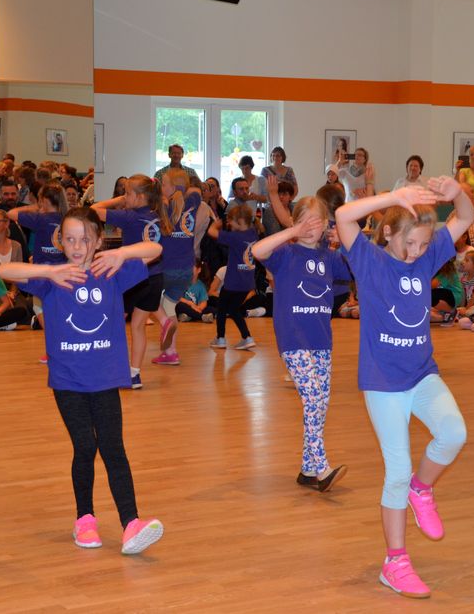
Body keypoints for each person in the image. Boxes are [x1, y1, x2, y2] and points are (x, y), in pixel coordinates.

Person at [335, 177, 473, 599]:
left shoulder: (425, 258)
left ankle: (422, 487)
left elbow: (466, 216)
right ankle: (394, 562)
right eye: (409, 243)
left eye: (423, 244)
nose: (416, 252)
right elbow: (343, 215)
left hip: (422, 373)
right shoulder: (369, 260)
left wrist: (457, 192)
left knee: (454, 433)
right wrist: (394, 197)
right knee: (396, 470)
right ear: (389, 232)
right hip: (383, 382)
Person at [0, 208, 164, 554]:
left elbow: (155, 249)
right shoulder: (53, 277)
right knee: (85, 447)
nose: (77, 246)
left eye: (85, 239)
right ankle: (84, 519)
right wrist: (48, 270)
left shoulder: (110, 271)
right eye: (70, 239)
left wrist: (121, 253)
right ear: (60, 241)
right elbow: (4, 270)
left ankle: (131, 523)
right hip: (68, 380)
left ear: (99, 241)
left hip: (105, 378)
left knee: (113, 448)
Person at [252, 196, 350, 492]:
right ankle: (321, 467)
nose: (309, 228)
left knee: (321, 402)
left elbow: (357, 268)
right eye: (303, 222)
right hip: (293, 339)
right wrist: (292, 232)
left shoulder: (330, 257)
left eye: (315, 222)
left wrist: (343, 238)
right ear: (295, 223)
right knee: (312, 398)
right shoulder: (286, 253)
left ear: (325, 225)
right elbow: (258, 250)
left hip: (322, 340)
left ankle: (307, 469)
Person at [93, 175, 171, 389]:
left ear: (140, 196)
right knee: (137, 326)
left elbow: (93, 209)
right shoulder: (156, 215)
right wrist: (125, 198)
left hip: (133, 278)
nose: (124, 197)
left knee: (115, 325)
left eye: (127, 193)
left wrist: (116, 201)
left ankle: (112, 370)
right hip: (155, 277)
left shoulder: (129, 216)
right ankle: (134, 374)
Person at [9, 183, 69, 357]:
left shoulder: (41, 219)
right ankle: (59, 346)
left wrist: (35, 207)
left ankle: (54, 348)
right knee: (57, 311)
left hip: (43, 274)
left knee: (40, 309)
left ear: (44, 200)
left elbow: (11, 213)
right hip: (62, 272)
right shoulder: (66, 218)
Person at [150, 169, 202, 366]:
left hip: (166, 267)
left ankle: (165, 327)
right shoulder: (193, 201)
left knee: (147, 300)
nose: (161, 187)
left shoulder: (162, 207)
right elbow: (196, 189)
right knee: (169, 306)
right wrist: (181, 189)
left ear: (172, 187)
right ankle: (170, 353)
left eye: (163, 184)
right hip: (186, 269)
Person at [207, 205, 258, 350]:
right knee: (234, 309)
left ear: (240, 221)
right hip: (247, 283)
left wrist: (215, 225)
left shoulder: (236, 237)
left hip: (233, 283)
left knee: (222, 309)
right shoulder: (253, 234)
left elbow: (211, 232)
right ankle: (247, 337)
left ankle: (220, 338)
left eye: (231, 221)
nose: (228, 223)